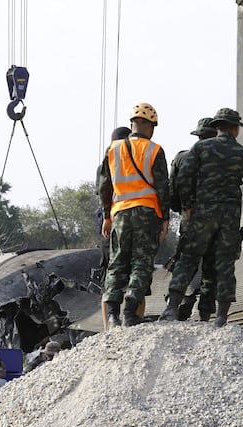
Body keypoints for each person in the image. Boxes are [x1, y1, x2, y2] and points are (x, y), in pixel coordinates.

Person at [159, 107, 243, 327]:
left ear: (217, 127)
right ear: (235, 129)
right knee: (224, 265)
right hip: (229, 218)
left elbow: (183, 178)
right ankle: (221, 317)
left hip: (201, 214)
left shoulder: (200, 148)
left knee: (188, 259)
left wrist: (187, 206)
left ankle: (171, 308)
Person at [99, 102, 170, 329]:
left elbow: (104, 186)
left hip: (119, 213)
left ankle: (112, 315)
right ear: (151, 127)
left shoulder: (113, 149)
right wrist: (165, 219)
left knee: (117, 263)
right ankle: (130, 314)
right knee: (141, 264)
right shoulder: (155, 150)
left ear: (132, 125)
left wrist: (107, 215)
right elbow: (162, 188)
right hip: (147, 214)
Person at [168, 117, 218, 321]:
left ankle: (174, 306)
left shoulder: (182, 158)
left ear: (197, 135)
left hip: (190, 220)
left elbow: (171, 193)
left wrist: (182, 210)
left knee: (186, 264)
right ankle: (204, 315)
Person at [96, 126, 133, 330]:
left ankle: (121, 326)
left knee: (125, 278)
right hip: (114, 223)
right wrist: (108, 216)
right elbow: (104, 192)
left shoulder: (120, 160)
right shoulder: (110, 161)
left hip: (121, 222)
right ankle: (109, 328)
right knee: (114, 277)